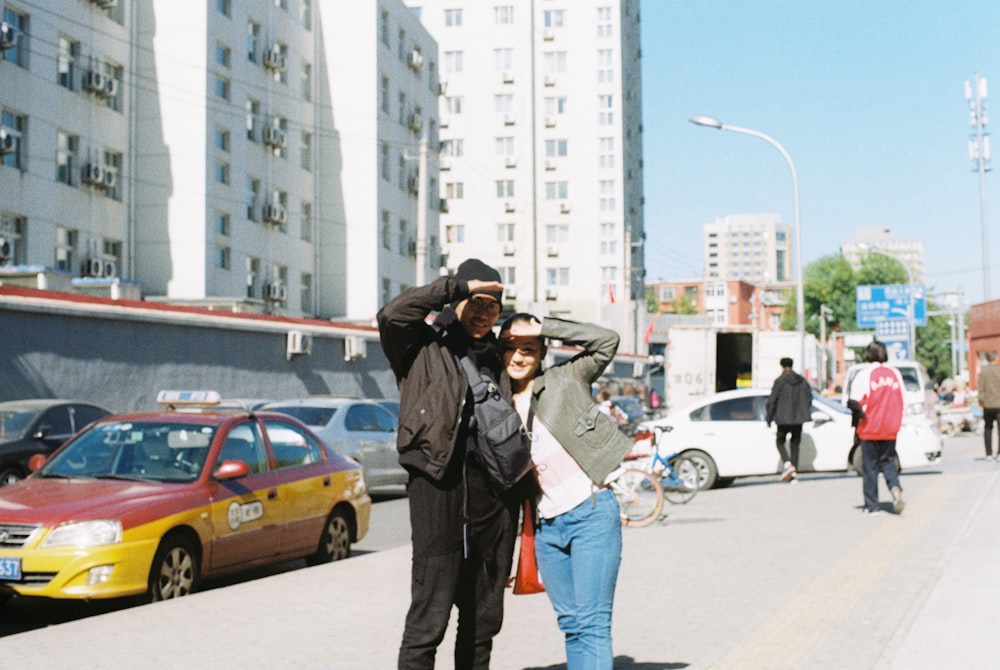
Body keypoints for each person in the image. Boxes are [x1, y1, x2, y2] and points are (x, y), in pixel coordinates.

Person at [377, 258, 524, 670]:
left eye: (491, 306)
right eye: (474, 302)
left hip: (494, 503)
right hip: (437, 490)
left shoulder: (500, 355)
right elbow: (391, 314)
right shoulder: (420, 346)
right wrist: (453, 286)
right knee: (429, 620)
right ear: (457, 299)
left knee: (482, 622)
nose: (481, 313)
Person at [499, 313, 634, 670]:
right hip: (546, 528)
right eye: (510, 348)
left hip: (590, 514)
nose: (518, 357)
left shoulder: (564, 379)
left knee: (592, 623)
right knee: (571, 625)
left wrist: (544, 327)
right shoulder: (497, 403)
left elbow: (607, 341)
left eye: (528, 348)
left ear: (542, 351)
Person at [848, 340, 906, 515]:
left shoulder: (864, 374)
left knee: (870, 467)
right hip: (891, 427)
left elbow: (854, 401)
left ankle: (872, 505)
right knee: (888, 462)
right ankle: (895, 488)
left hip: (870, 426)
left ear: (869, 354)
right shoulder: (895, 373)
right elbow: (903, 399)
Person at [765, 357, 813, 483]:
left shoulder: (779, 381)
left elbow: (772, 400)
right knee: (795, 445)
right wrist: (804, 411)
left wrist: (769, 418)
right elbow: (809, 397)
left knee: (779, 442)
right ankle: (794, 475)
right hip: (798, 419)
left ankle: (787, 464)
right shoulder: (801, 380)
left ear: (781, 366)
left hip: (783, 418)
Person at [977, 351, 1000, 461]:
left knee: (988, 429)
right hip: (999, 405)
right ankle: (999, 453)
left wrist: (981, 403)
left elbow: (981, 389)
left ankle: (989, 454)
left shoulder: (983, 372)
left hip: (988, 405)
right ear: (996, 359)